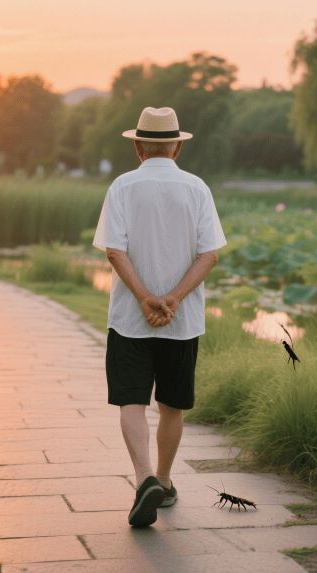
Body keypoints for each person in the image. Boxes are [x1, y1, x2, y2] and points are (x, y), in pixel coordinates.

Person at [92, 106, 226, 527]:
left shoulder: (122, 186)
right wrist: (173, 299)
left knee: (131, 400)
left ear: (137, 146)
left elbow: (114, 250)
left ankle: (144, 477)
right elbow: (211, 254)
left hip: (131, 319)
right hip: (182, 323)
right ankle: (164, 482)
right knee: (172, 406)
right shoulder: (197, 188)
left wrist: (147, 298)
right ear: (177, 147)